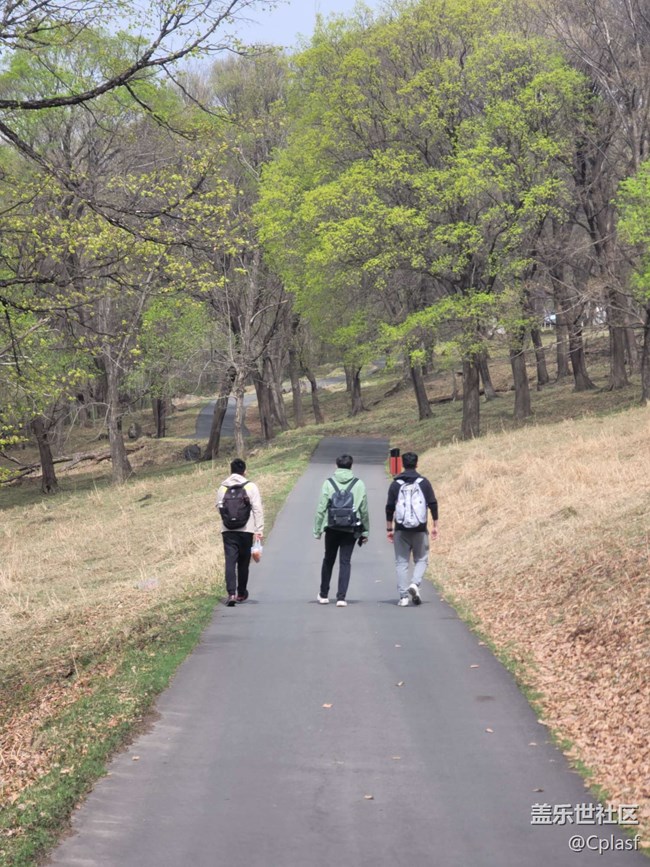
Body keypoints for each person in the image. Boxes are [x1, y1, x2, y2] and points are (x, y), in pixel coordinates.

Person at [313, 454, 369, 607]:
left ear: (336, 466)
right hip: (351, 528)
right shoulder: (359, 484)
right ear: (351, 466)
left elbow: (321, 508)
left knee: (328, 559)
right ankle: (341, 598)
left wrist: (317, 530)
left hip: (332, 527)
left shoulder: (328, 483)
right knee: (345, 561)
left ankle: (323, 594)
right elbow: (364, 510)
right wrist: (365, 531)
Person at [385, 451, 438, 606]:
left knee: (401, 563)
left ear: (402, 464)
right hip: (420, 529)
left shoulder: (396, 484)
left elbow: (389, 508)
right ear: (417, 464)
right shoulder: (424, 483)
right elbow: (433, 504)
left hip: (401, 529)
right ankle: (415, 583)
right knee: (421, 559)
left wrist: (389, 529)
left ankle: (403, 597)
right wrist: (435, 525)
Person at [216, 458, 264, 607]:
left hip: (228, 530)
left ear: (230, 471)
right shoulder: (250, 486)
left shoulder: (222, 488)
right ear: (245, 471)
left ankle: (231, 593)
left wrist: (229, 519)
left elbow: (219, 508)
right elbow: (257, 509)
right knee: (243, 563)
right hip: (246, 530)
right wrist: (259, 529)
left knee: (230, 562)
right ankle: (241, 593)